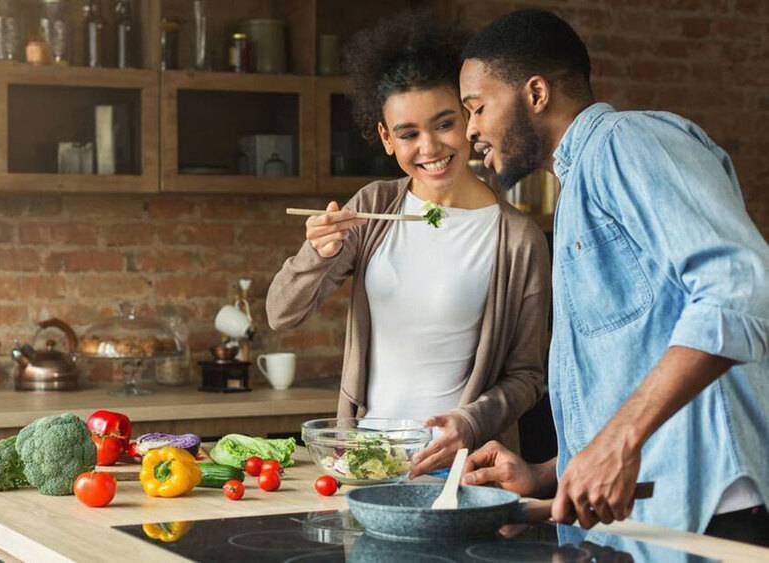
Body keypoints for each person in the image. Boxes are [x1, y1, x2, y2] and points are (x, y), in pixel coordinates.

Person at [457, 9, 769, 545]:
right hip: (654, 516)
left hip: (713, 513)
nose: (471, 131)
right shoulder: (578, 188)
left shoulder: (625, 142)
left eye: (477, 107)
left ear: (535, 93)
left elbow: (740, 289)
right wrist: (547, 473)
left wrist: (616, 443)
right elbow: (633, 370)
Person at [266, 13, 551, 476]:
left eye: (444, 124)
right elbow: (282, 314)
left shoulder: (517, 239)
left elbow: (528, 377)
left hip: (458, 464)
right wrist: (317, 255)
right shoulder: (371, 207)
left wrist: (469, 421)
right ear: (386, 138)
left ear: (468, 120)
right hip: (364, 457)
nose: (430, 148)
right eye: (408, 134)